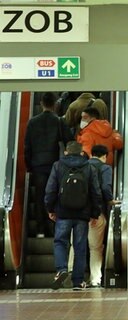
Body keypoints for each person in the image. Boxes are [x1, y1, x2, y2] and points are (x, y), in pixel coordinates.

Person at [44, 141, 102, 291]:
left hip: (63, 213)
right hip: (82, 214)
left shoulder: (58, 166)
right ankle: (78, 281)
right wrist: (95, 213)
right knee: (80, 246)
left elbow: (50, 190)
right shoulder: (89, 167)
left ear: (66, 152)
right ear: (82, 152)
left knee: (60, 242)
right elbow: (96, 192)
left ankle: (62, 269)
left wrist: (50, 209)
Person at [69, 144, 119, 288]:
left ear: (91, 154)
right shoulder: (105, 168)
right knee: (95, 247)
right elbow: (105, 187)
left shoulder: (81, 166)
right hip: (95, 213)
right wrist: (109, 200)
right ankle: (95, 279)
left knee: (75, 244)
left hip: (77, 212)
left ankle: (71, 271)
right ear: (105, 156)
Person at [24, 92, 73, 237]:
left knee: (40, 197)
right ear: (55, 104)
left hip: (37, 166)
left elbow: (27, 147)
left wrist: (28, 166)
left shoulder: (32, 122)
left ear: (41, 104)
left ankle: (40, 230)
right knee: (54, 195)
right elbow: (69, 141)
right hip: (54, 165)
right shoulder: (58, 121)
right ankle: (54, 228)